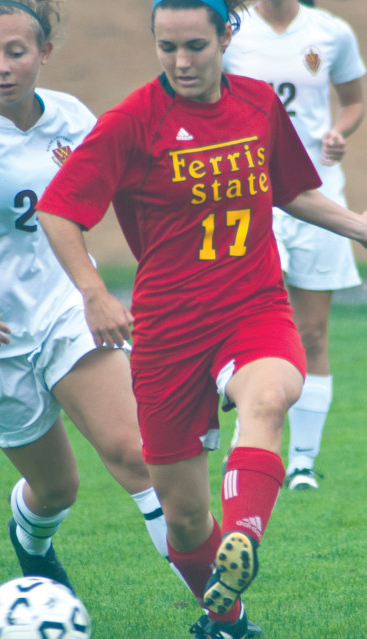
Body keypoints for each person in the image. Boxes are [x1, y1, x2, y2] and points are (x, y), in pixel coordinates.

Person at [35, 0, 367, 636]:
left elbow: (292, 190)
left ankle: (244, 538)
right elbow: (59, 209)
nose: (181, 62)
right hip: (167, 331)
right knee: (184, 520)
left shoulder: (258, 104)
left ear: (226, 35)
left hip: (254, 304)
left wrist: (357, 227)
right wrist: (93, 292)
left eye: (196, 46)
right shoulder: (133, 120)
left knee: (268, 398)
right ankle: (228, 619)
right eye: (168, 48)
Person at [0, 0, 174, 597]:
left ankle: (221, 616)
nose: (1, 66)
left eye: (16, 52)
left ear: (44, 54)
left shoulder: (72, 119)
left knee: (137, 456)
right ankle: (32, 545)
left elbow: (129, 187)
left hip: (66, 313)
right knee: (59, 489)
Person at [222, 0, 365, 490]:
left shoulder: (330, 32)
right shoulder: (231, 30)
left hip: (317, 193)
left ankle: (303, 462)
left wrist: (338, 132)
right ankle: (248, 439)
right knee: (253, 320)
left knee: (313, 333)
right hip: (253, 192)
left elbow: (353, 101)